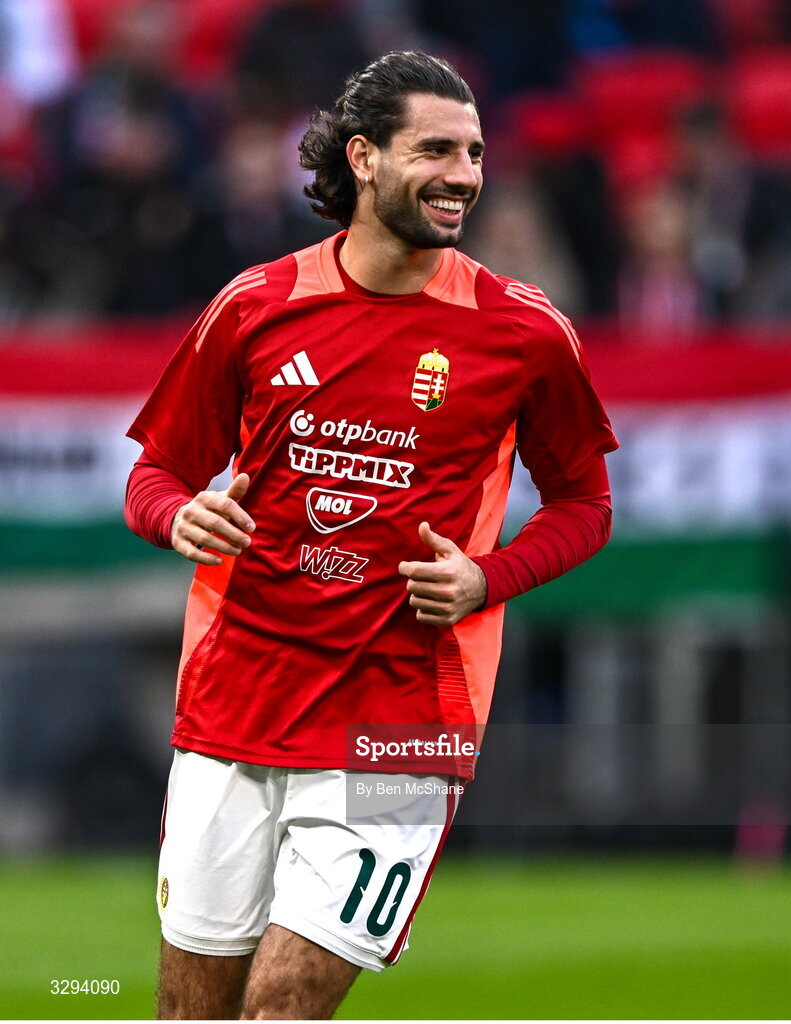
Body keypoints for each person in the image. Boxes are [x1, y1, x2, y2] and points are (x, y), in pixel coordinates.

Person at [125, 50, 618, 1020]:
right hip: (234, 704)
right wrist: (175, 515)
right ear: (362, 158)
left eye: (473, 153)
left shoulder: (521, 331)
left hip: (398, 719)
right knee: (192, 1014)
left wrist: (488, 579)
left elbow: (584, 504)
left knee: (282, 1008)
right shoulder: (254, 305)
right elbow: (156, 472)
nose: (464, 174)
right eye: (434, 149)